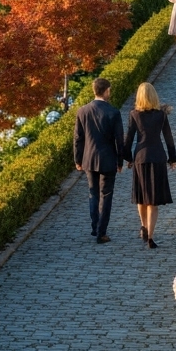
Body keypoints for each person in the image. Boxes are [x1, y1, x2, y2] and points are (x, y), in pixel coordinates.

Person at [124, 82, 176, 249]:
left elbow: (129, 139)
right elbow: (168, 138)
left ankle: (143, 225)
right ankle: (150, 238)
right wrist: (172, 158)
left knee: (142, 196)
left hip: (140, 157)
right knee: (153, 201)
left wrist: (128, 158)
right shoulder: (161, 115)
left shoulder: (134, 114)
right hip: (157, 156)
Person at [74, 77, 124, 244]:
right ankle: (101, 232)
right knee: (106, 195)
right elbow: (119, 139)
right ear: (106, 90)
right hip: (108, 159)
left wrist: (78, 159)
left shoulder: (82, 111)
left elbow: (78, 138)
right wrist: (120, 161)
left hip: (88, 158)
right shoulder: (113, 112)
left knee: (93, 193)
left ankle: (95, 225)